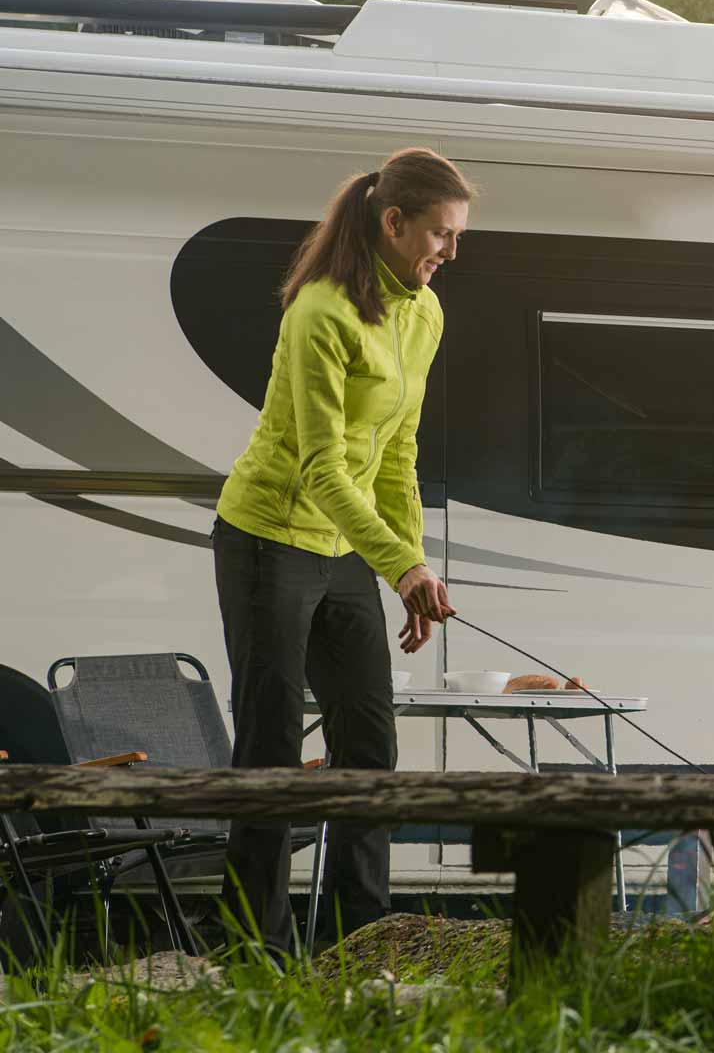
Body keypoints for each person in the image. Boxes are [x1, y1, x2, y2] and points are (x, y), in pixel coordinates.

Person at [211, 147, 473, 953]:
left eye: (458, 235)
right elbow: (321, 466)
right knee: (270, 744)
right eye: (440, 233)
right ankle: (255, 950)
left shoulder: (424, 314)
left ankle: (363, 942)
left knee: (369, 744)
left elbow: (398, 455)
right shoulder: (320, 312)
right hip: (269, 538)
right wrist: (401, 565)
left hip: (344, 547)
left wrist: (410, 565)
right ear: (393, 222)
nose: (450, 250)